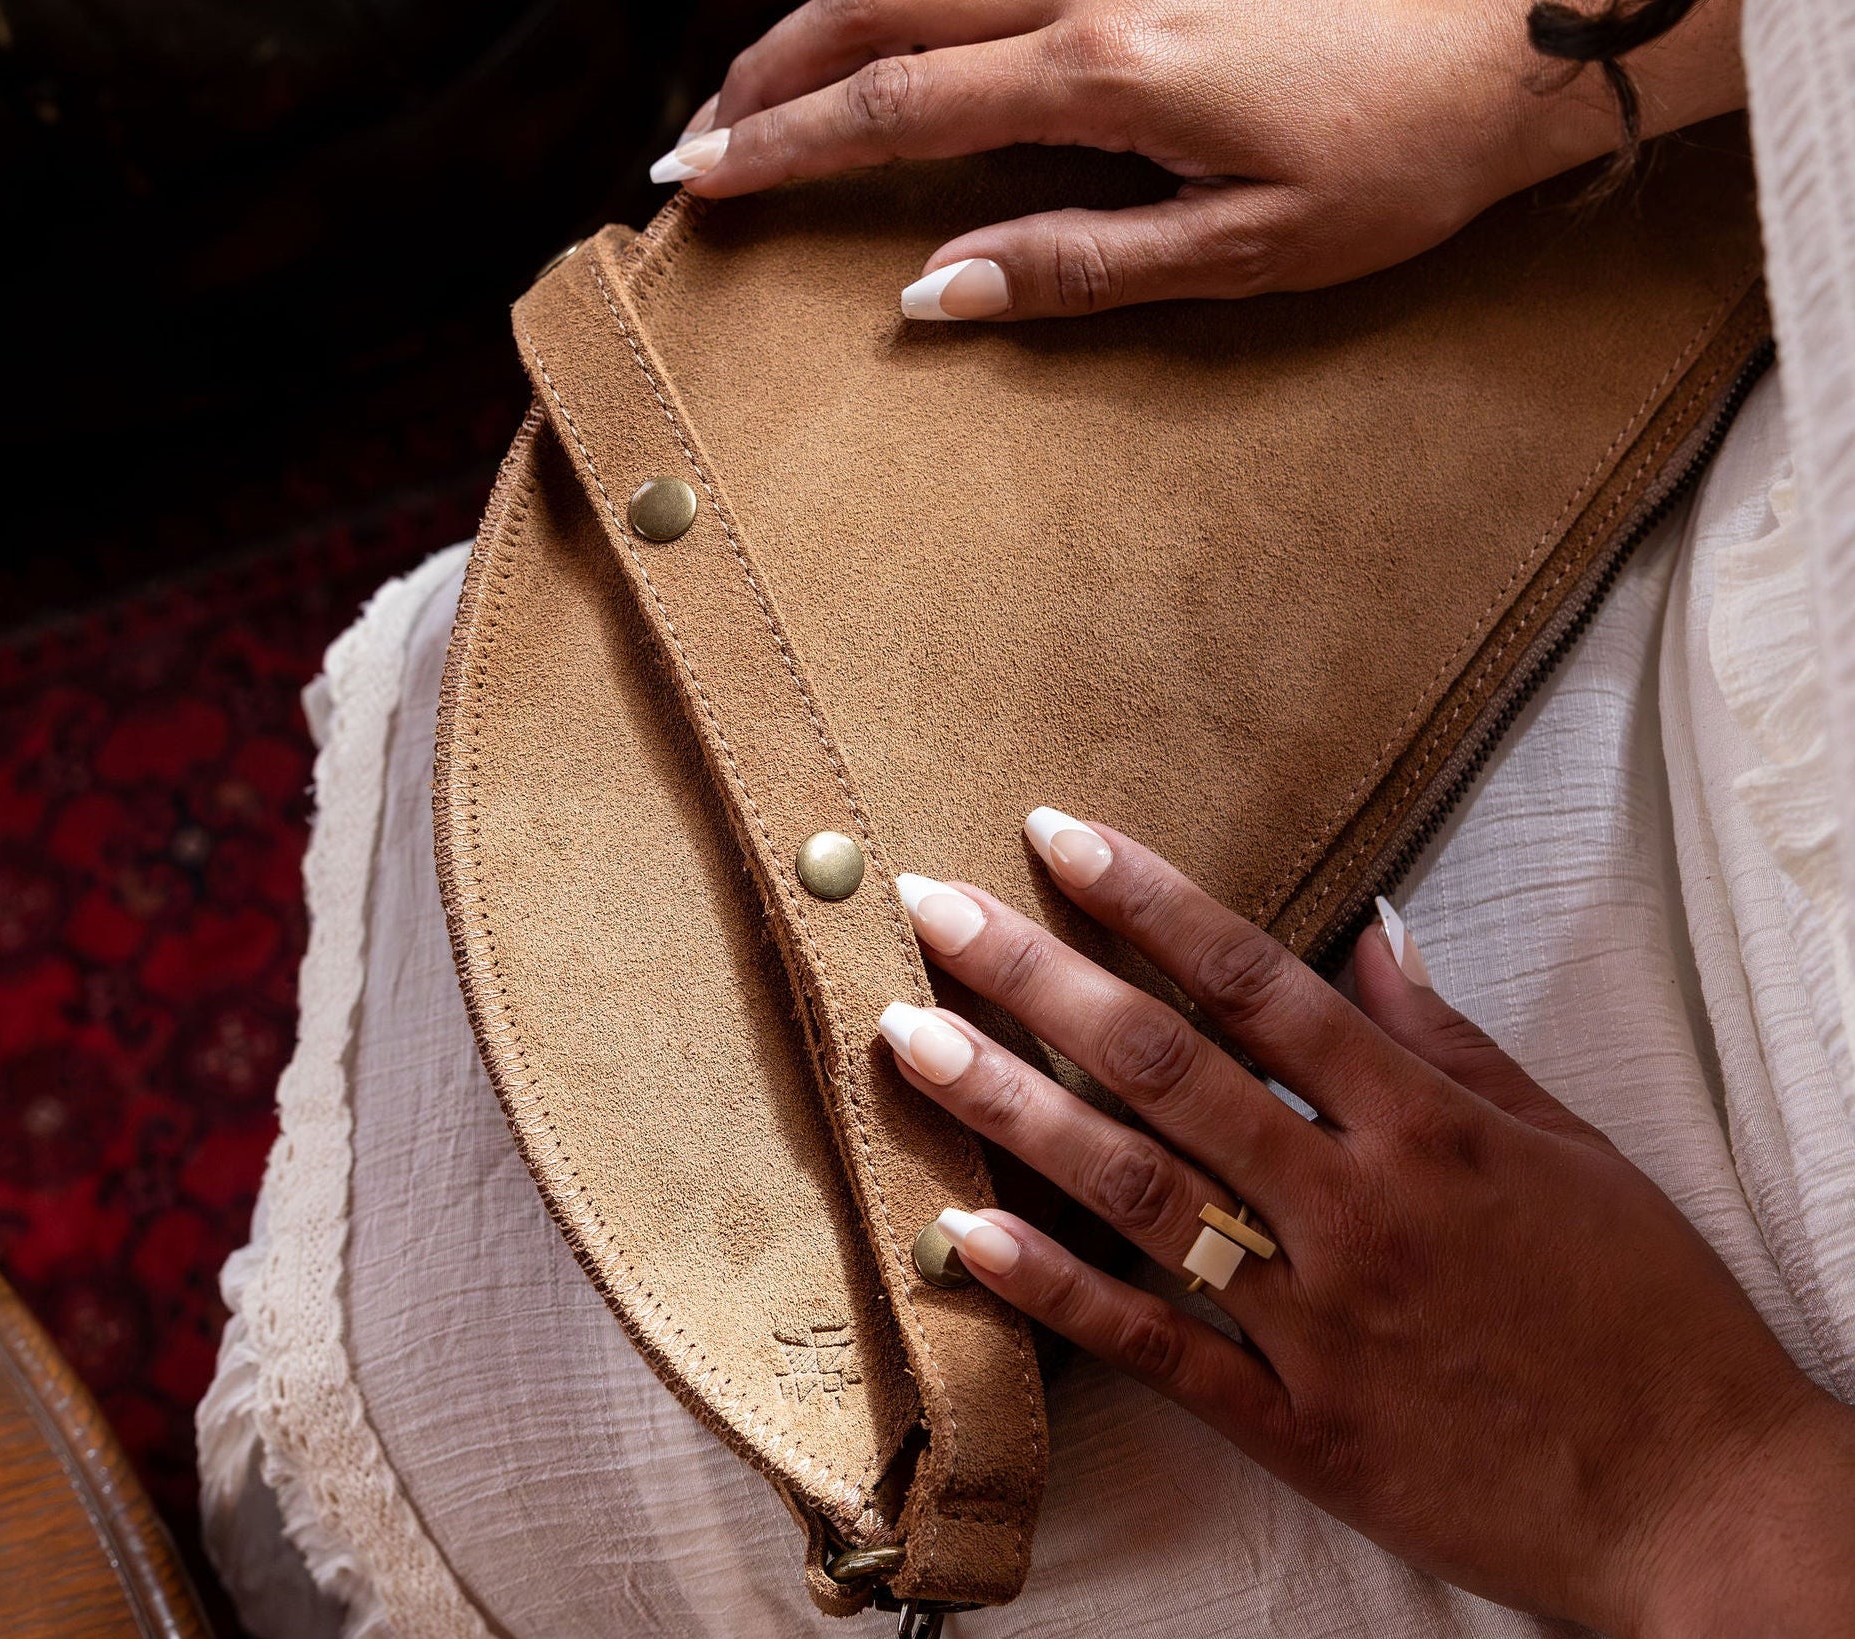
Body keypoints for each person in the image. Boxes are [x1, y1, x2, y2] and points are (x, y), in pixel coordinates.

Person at [203, 2, 1855, 1633]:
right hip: (1587, 352)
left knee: (495, 1436)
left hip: (1584, 1372)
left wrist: (1700, 1491)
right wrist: (1561, 59)